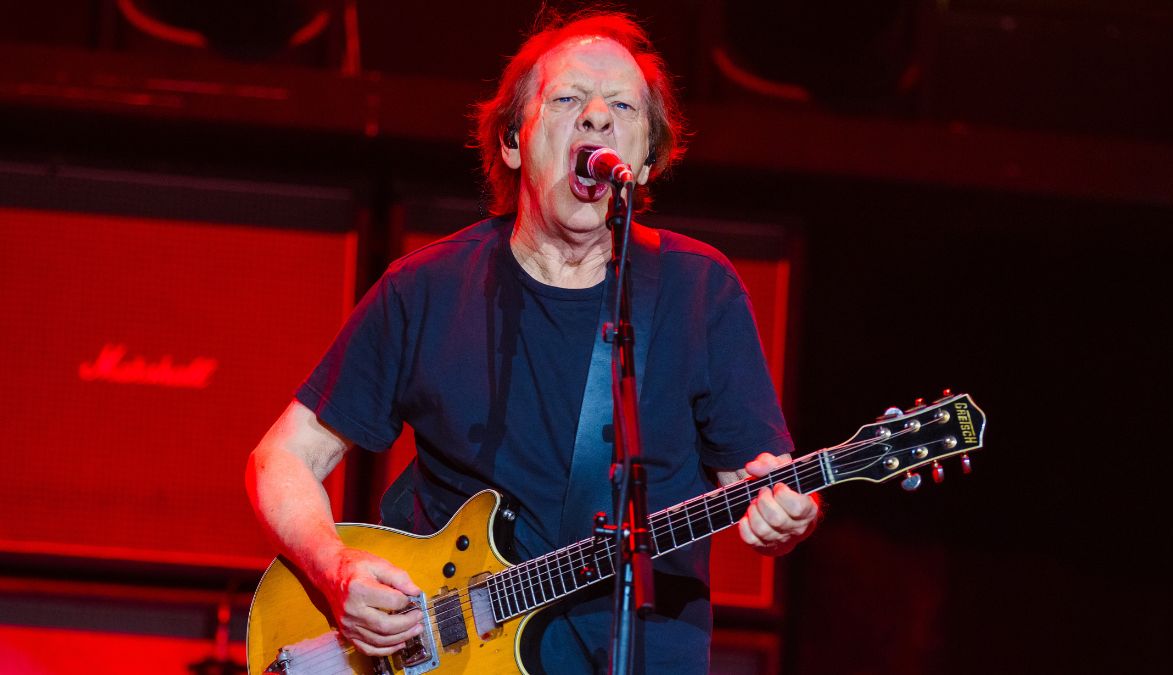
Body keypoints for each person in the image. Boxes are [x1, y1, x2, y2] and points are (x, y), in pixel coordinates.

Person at [246, 10, 819, 674]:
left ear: (647, 158)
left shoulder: (699, 292)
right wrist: (335, 567)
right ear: (515, 141)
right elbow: (281, 458)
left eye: (623, 107)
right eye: (570, 98)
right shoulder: (427, 289)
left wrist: (785, 510)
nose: (598, 118)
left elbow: (756, 482)